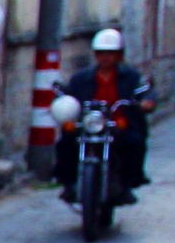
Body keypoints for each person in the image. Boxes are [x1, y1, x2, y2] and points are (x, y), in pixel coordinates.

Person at [57, 26, 153, 199]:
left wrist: (146, 102)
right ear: (95, 54)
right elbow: (70, 95)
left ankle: (127, 184)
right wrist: (64, 104)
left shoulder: (131, 76)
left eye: (111, 53)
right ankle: (68, 183)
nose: (105, 57)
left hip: (119, 124)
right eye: (101, 53)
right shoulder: (81, 78)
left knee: (134, 142)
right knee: (66, 141)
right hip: (89, 123)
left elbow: (144, 91)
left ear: (119, 55)